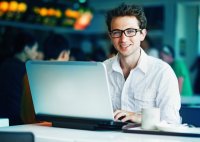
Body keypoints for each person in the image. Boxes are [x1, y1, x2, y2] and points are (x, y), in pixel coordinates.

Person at [103, 3, 181, 124]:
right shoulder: (102, 70)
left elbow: (172, 122)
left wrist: (142, 118)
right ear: (110, 36)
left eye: (130, 31)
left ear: (142, 34)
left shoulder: (162, 72)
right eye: (117, 32)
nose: (123, 39)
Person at [21, 33, 71, 124]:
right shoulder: (60, 77)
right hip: (47, 129)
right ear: (64, 54)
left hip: (25, 126)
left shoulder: (29, 73)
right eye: (68, 55)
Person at [0, 31, 39, 125]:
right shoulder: (25, 70)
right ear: (26, 49)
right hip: (16, 119)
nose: (36, 53)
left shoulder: (4, 64)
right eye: (35, 49)